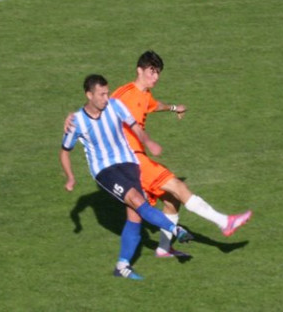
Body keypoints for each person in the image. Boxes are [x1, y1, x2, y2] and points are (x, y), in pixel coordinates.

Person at [65, 52, 252, 258]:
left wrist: (174, 108)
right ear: (139, 70)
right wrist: (72, 117)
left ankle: (163, 249)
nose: (155, 77)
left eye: (158, 73)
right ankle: (224, 222)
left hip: (138, 158)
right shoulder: (124, 94)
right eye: (151, 72)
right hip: (132, 159)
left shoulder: (146, 96)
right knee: (178, 187)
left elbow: (154, 105)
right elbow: (98, 104)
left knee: (172, 200)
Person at [60, 74, 193, 280]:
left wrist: (149, 143)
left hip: (129, 164)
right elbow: (65, 152)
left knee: (135, 215)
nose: (106, 98)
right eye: (101, 94)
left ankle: (122, 267)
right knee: (137, 200)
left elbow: (136, 127)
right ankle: (176, 230)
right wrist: (70, 177)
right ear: (89, 95)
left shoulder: (115, 106)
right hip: (105, 170)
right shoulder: (77, 121)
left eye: (107, 92)